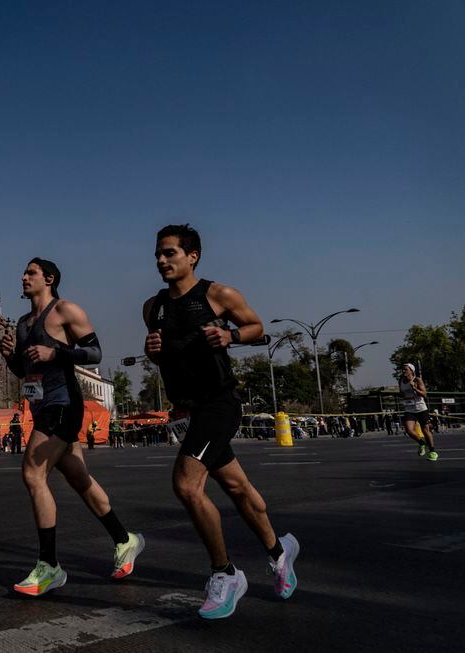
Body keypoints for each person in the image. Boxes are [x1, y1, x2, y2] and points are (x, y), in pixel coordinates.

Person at [143, 224, 298, 620]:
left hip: (219, 402)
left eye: (170, 253)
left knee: (186, 484)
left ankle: (225, 573)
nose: (161, 260)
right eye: (158, 254)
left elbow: (256, 326)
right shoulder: (153, 307)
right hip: (189, 409)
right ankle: (280, 554)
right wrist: (153, 352)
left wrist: (231, 336)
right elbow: (166, 358)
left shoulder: (218, 294)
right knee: (237, 488)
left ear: (192, 256)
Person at [0, 257, 144, 597]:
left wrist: (57, 355)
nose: (23, 277)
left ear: (48, 279)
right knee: (79, 479)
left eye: (31, 272)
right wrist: (9, 356)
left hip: (64, 404)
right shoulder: (22, 324)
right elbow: (25, 373)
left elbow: (94, 353)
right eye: (23, 272)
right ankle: (125, 541)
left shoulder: (65, 311)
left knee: (33, 474)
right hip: (41, 406)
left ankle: (49, 566)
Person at [399, 364, 438, 461]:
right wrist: (403, 396)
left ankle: (433, 451)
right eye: (402, 369)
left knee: (425, 431)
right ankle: (421, 443)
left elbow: (424, 394)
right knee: (408, 430)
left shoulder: (417, 380)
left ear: (411, 371)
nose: (403, 371)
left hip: (421, 408)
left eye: (405, 369)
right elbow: (402, 393)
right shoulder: (401, 381)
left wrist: (415, 388)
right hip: (409, 408)